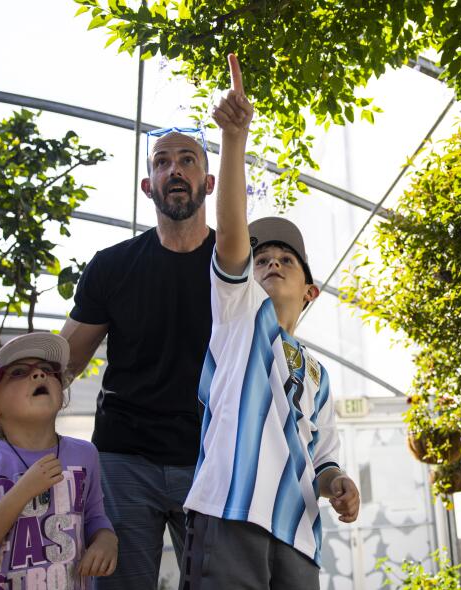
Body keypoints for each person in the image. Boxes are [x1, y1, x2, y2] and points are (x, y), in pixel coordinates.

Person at [179, 54, 361, 590]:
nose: (271, 262)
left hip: (298, 534)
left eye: (286, 258)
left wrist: (339, 482)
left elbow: (322, 456)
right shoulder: (240, 318)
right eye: (262, 259)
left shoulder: (321, 376)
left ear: (310, 291)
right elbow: (232, 234)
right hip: (229, 511)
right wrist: (234, 139)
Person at [60, 124, 217, 589]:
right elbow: (65, 362)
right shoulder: (112, 265)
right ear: (148, 185)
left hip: (212, 459)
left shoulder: (236, 267)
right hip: (123, 459)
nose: (175, 169)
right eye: (162, 161)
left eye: (188, 159)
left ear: (209, 183)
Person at [0, 332, 117, 589]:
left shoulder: (86, 454)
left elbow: (95, 518)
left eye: (48, 370)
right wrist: (23, 491)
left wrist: (107, 540)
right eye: (18, 372)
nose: (39, 375)